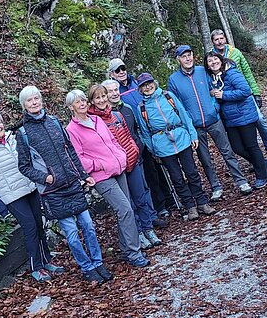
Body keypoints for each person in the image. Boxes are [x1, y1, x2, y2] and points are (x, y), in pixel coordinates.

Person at [16, 86, 112, 286]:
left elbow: (71, 152)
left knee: (88, 226)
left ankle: (98, 263)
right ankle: (86, 268)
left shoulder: (54, 122)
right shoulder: (23, 134)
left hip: (72, 184)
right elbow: (24, 167)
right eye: (29, 100)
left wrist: (83, 175)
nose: (34, 102)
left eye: (36, 98)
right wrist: (44, 178)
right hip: (53, 191)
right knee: (72, 235)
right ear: (24, 105)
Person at [66, 88, 149, 267]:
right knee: (125, 209)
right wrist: (99, 165)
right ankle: (135, 253)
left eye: (83, 100)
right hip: (101, 176)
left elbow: (112, 140)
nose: (82, 103)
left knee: (124, 210)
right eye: (77, 101)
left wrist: (121, 155)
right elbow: (78, 158)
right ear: (71, 107)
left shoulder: (96, 119)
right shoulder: (72, 129)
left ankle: (126, 249)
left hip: (118, 167)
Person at [0, 109, 61, 283]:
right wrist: (0, 206)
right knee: (30, 227)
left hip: (29, 188)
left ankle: (47, 260)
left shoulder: (13, 138)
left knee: (39, 224)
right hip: (12, 196)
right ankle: (36, 267)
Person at [168, 44, 252, 200]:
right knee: (204, 158)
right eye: (184, 56)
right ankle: (216, 187)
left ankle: (241, 181)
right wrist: (188, 123)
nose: (187, 58)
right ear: (178, 59)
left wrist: (214, 107)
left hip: (213, 119)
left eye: (189, 55)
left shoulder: (202, 71)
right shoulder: (173, 80)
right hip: (195, 125)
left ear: (193, 56)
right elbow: (175, 105)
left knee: (227, 151)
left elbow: (215, 89)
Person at [87, 83, 161, 249]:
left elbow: (128, 136)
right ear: (91, 101)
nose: (101, 100)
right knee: (128, 204)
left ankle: (148, 229)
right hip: (115, 168)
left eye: (103, 96)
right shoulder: (94, 122)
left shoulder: (116, 115)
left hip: (131, 161)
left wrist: (134, 152)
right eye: (97, 97)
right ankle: (138, 233)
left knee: (140, 197)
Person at [134, 73, 216, 222]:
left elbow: (184, 115)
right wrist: (153, 150)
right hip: (162, 145)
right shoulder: (141, 108)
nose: (148, 87)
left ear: (154, 82)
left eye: (149, 83)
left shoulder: (168, 96)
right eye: (144, 85)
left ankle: (202, 202)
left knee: (192, 172)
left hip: (181, 138)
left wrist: (193, 135)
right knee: (177, 178)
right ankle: (190, 206)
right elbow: (144, 132)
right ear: (140, 89)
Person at [107, 58, 174, 220]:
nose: (122, 72)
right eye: (117, 70)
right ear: (111, 74)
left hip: (149, 132)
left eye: (123, 68)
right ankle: (158, 206)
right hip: (132, 139)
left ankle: (169, 199)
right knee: (147, 176)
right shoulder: (113, 91)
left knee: (158, 167)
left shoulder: (137, 83)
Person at [211, 29, 267, 161]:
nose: (220, 42)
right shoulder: (211, 58)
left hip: (244, 95)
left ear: (225, 39)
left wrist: (256, 92)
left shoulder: (235, 53)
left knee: (260, 120)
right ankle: (254, 159)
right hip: (227, 100)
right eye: (216, 39)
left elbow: (247, 73)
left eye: (221, 38)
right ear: (213, 42)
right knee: (239, 131)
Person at [204, 52, 267, 189]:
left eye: (215, 59)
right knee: (237, 148)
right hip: (230, 119)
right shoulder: (213, 79)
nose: (213, 62)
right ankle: (263, 164)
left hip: (244, 115)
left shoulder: (231, 73)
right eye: (210, 61)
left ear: (221, 60)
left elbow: (245, 90)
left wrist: (223, 95)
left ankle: (262, 175)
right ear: (207, 66)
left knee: (251, 145)